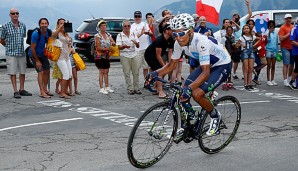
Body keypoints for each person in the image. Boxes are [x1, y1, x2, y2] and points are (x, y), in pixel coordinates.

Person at [146, 13, 231, 136]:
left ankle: (215, 116)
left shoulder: (201, 42)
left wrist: (190, 88)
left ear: (190, 31)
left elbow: (206, 73)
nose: (178, 38)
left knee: (196, 93)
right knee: (182, 92)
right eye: (175, 34)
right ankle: (187, 123)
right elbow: (171, 65)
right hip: (206, 64)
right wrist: (155, 74)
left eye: (181, 33)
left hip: (221, 65)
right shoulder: (178, 43)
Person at [0, 8, 32, 99]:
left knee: (22, 71)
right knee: (12, 72)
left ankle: (22, 89)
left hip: (21, 52)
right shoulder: (5, 26)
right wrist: (8, 46)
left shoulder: (23, 25)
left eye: (17, 13)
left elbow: (23, 37)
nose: (15, 15)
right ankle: (15, 91)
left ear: (18, 14)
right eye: (13, 13)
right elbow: (1, 39)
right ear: (10, 15)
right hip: (11, 53)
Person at [144, 23, 174, 99]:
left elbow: (170, 52)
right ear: (166, 31)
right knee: (160, 71)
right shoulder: (160, 40)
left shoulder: (170, 39)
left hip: (157, 55)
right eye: (171, 30)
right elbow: (158, 55)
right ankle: (160, 92)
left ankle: (156, 87)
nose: (173, 31)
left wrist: (170, 64)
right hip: (150, 55)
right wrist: (164, 66)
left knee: (162, 70)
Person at [28, 18, 53, 98]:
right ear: (39, 25)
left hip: (43, 54)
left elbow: (49, 42)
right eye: (42, 23)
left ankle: (45, 89)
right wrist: (37, 61)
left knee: (47, 71)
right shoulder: (36, 34)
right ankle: (42, 92)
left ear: (48, 24)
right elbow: (32, 48)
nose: (44, 25)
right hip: (34, 54)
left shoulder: (48, 32)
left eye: (45, 23)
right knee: (40, 72)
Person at [116, 20, 141, 95]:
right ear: (123, 27)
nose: (127, 27)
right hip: (124, 55)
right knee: (127, 73)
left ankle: (136, 88)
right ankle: (130, 88)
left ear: (130, 26)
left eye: (128, 26)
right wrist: (124, 46)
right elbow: (119, 47)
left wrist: (136, 43)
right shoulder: (119, 35)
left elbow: (138, 45)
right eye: (125, 26)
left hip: (133, 54)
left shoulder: (133, 34)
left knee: (136, 72)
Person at [52, 18, 73, 99]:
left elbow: (69, 44)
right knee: (66, 74)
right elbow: (53, 36)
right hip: (60, 57)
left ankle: (65, 90)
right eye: (61, 23)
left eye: (64, 23)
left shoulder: (66, 33)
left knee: (69, 75)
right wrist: (60, 28)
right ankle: (62, 93)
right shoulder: (55, 31)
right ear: (58, 24)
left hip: (66, 55)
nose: (62, 25)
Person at [94, 20, 115, 94]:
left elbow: (113, 42)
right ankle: (101, 88)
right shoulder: (97, 36)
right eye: (102, 26)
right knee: (101, 71)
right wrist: (108, 49)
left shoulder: (108, 34)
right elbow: (98, 47)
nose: (104, 27)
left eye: (105, 25)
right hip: (99, 56)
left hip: (106, 55)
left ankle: (107, 86)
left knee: (106, 71)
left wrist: (112, 43)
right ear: (99, 27)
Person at [131, 11, 152, 80]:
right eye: (136, 16)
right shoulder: (132, 26)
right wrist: (141, 33)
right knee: (136, 67)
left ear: (141, 17)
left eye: (139, 16)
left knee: (146, 67)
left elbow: (151, 34)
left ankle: (146, 82)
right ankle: (136, 82)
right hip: (137, 50)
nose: (137, 18)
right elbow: (133, 38)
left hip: (146, 48)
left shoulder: (144, 24)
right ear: (134, 17)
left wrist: (147, 32)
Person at [237, 24, 257, 91]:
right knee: (246, 69)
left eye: (247, 28)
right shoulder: (242, 37)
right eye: (245, 28)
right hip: (244, 52)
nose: (246, 29)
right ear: (243, 30)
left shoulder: (252, 36)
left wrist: (254, 45)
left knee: (251, 68)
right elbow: (237, 45)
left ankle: (250, 83)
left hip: (251, 52)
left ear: (249, 29)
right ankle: (246, 84)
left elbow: (260, 39)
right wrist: (241, 44)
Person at [278, 14, 294, 87]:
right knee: (286, 64)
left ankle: (290, 78)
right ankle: (285, 80)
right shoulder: (282, 28)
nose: (289, 20)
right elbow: (281, 38)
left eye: (290, 18)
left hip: (293, 47)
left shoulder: (293, 27)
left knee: (292, 64)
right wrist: (289, 34)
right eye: (287, 18)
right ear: (285, 19)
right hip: (285, 48)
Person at [266, 20, 278, 86]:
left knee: (273, 65)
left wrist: (277, 51)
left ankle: (272, 79)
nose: (271, 27)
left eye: (272, 25)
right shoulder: (266, 32)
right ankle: (268, 80)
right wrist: (269, 33)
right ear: (268, 26)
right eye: (270, 25)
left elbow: (276, 42)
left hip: (274, 50)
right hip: (268, 50)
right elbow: (267, 41)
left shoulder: (276, 33)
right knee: (269, 65)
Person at [289, 17, 298, 90]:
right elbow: (292, 41)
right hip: (296, 51)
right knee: (297, 67)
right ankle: (292, 81)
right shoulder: (294, 29)